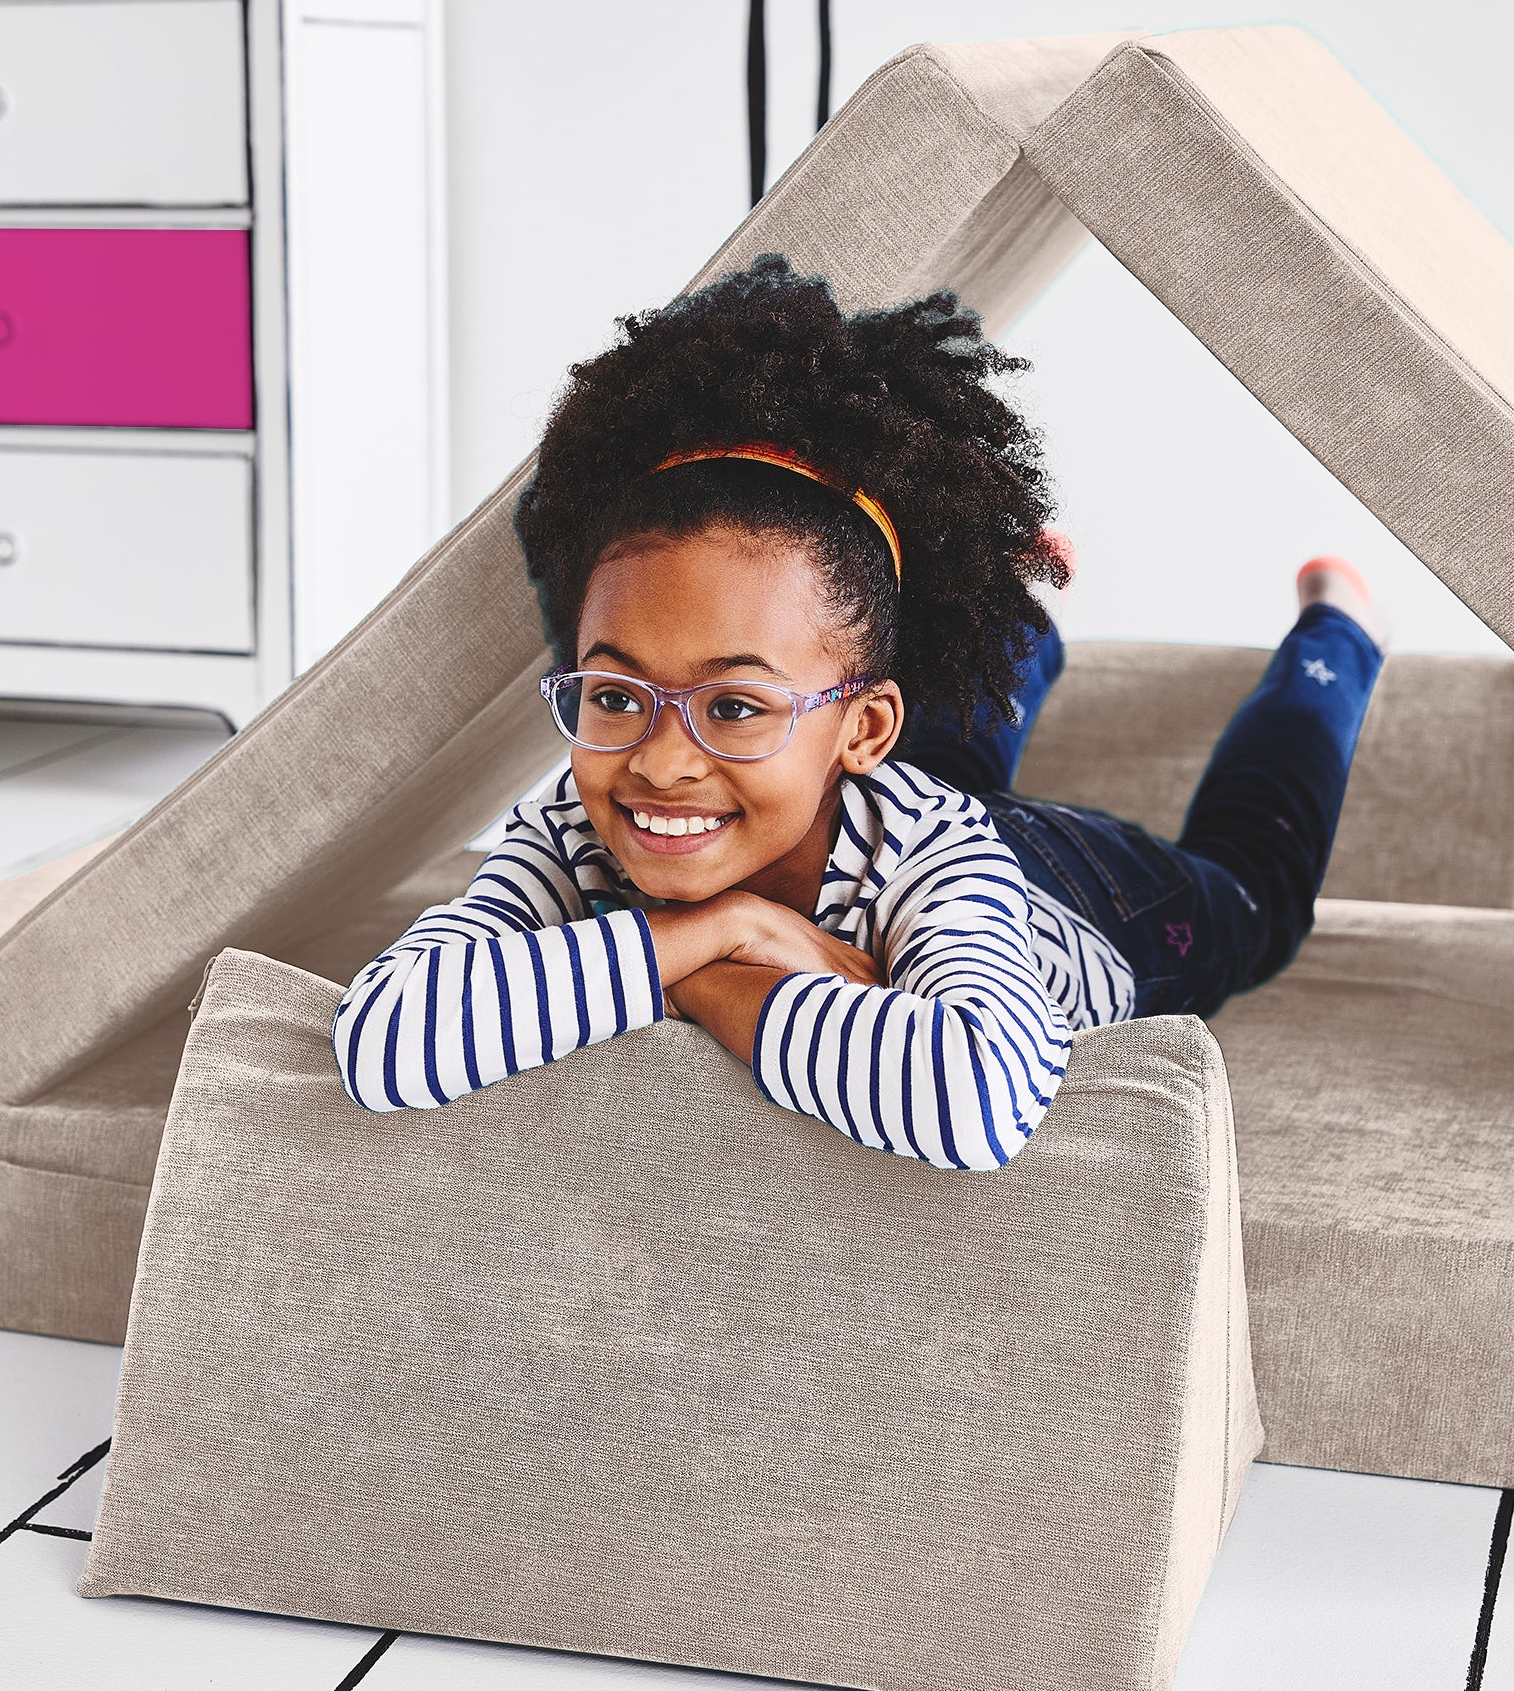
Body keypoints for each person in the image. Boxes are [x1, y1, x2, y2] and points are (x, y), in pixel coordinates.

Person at [331, 258, 1384, 1170]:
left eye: (731, 702)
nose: (656, 761)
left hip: (1061, 895)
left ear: (862, 729)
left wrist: (675, 971)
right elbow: (385, 1038)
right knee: (940, 756)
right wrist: (719, 935)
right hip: (845, 794)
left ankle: (1331, 638)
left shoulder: (934, 854)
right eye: (612, 693)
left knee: (1257, 889)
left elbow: (975, 1101)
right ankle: (1008, 609)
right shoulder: (572, 823)